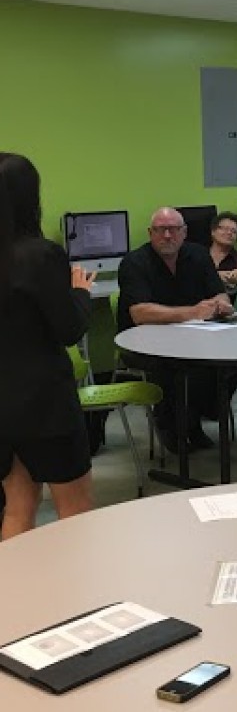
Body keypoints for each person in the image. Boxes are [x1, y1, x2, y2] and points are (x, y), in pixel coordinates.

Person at [0, 152, 95, 538]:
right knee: (76, 512)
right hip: (45, 405)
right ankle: (80, 598)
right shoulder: (40, 255)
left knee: (17, 509)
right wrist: (80, 291)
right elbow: (69, 329)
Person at [117, 206, 233, 453]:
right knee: (175, 367)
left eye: (173, 229)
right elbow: (140, 313)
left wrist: (221, 304)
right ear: (150, 233)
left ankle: (193, 421)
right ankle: (170, 426)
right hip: (143, 344)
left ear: (184, 232)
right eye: (161, 230)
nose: (167, 236)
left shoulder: (199, 256)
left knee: (226, 365)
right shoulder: (134, 263)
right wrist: (193, 312)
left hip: (193, 339)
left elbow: (218, 293)